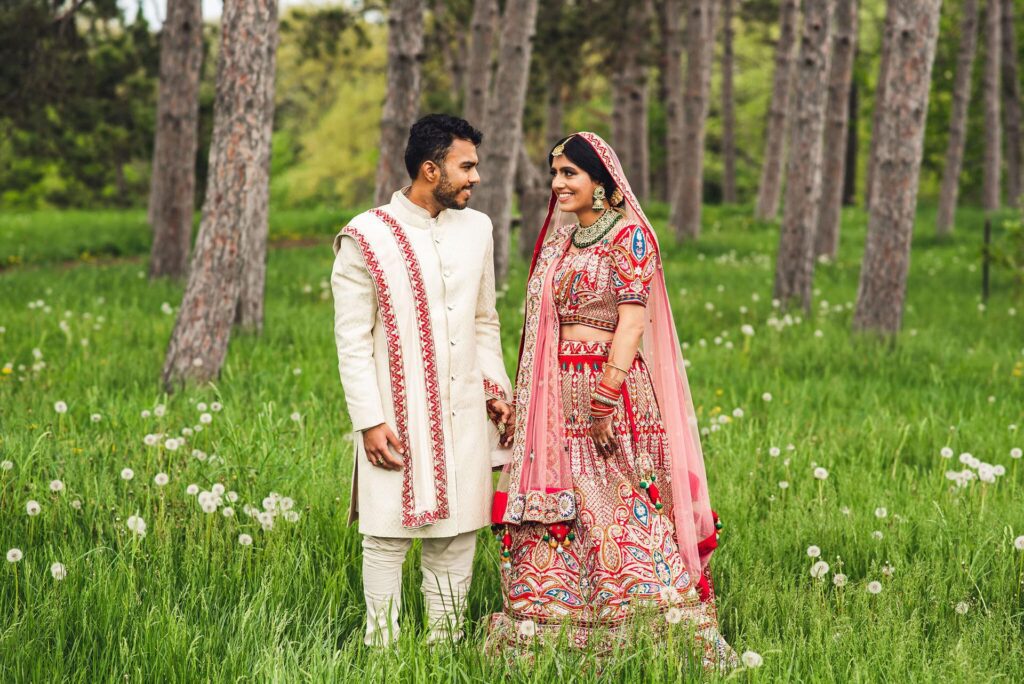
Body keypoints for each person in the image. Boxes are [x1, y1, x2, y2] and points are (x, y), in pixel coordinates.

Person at [487, 132, 737, 669]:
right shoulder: (559, 243)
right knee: (566, 511)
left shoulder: (630, 238)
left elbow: (632, 321)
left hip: (611, 391)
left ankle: (654, 624)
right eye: (555, 175)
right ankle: (554, 632)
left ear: (599, 180)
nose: (557, 185)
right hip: (555, 397)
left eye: (568, 174)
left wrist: (606, 394)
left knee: (622, 501)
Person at [331, 114, 514, 646]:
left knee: (457, 537)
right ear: (431, 170)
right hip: (394, 415)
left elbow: (485, 320)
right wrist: (369, 421)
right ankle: (381, 647)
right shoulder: (364, 236)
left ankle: (444, 648)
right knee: (386, 538)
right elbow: (352, 340)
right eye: (467, 166)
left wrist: (497, 391)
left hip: (464, 409)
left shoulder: (477, 229)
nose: (476, 177)